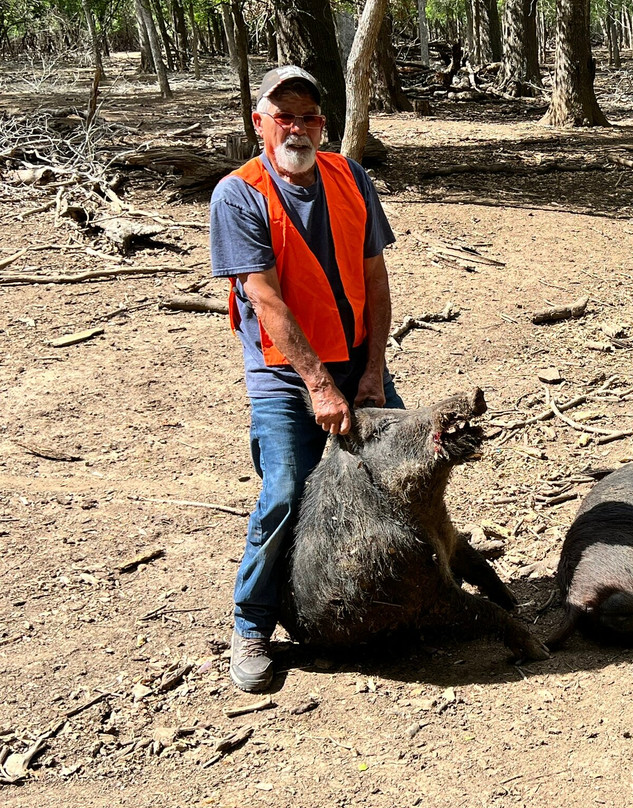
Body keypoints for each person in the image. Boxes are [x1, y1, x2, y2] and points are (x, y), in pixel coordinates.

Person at [210, 66, 404, 692]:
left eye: (309, 116)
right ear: (259, 122)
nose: (297, 126)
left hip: (356, 356)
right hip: (285, 371)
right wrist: (320, 386)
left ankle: (411, 587)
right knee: (287, 489)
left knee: (405, 465)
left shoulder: (350, 175)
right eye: (283, 114)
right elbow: (264, 299)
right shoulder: (238, 195)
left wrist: (371, 371)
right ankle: (252, 626)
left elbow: (375, 278)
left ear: (325, 123)